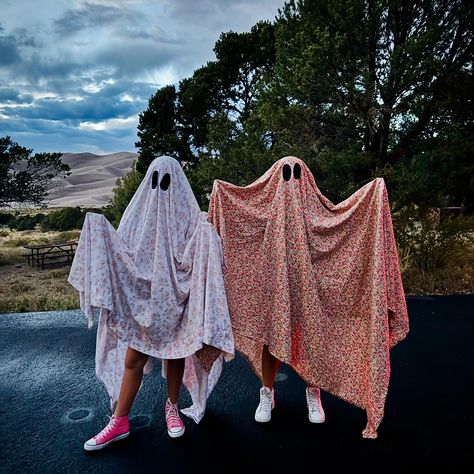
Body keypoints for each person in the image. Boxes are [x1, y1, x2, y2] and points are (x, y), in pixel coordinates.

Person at [208, 156, 409, 438]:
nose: (291, 181)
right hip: (274, 286)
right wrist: (224, 194)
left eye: (297, 174)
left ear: (308, 181)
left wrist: (373, 193)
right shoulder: (268, 211)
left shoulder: (315, 213)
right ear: (274, 181)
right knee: (270, 337)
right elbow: (244, 217)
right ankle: (267, 392)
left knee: (311, 338)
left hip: (308, 289)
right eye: (285, 174)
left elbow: (341, 220)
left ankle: (314, 392)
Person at [68, 156, 234, 451]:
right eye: (155, 180)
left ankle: (172, 408)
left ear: (179, 185)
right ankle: (119, 421)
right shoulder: (137, 216)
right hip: (143, 306)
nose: (161, 188)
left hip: (174, 303)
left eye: (168, 182)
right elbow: (124, 252)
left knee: (174, 356)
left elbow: (195, 255)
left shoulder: (189, 218)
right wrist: (100, 232)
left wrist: (206, 234)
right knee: (133, 359)